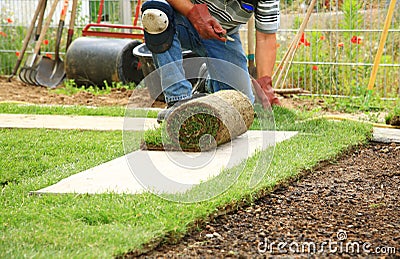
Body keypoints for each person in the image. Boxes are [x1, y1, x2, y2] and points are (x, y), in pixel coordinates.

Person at [140, 0, 281, 122]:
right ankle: (178, 100)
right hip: (183, 19)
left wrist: (265, 85)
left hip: (222, 36)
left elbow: (266, 37)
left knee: (239, 105)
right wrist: (192, 13)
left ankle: (206, 81)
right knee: (156, 12)